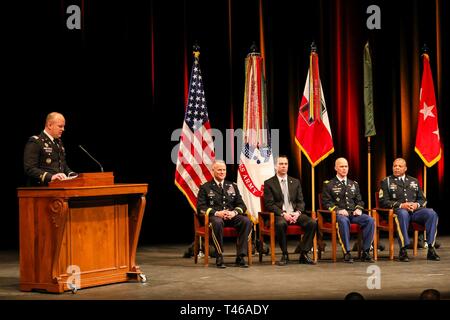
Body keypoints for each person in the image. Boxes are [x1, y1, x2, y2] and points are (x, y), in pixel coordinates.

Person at [379, 158, 440, 262]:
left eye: (399, 166)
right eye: (395, 166)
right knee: (403, 214)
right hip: (397, 212)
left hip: (414, 212)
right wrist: (401, 205)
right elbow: (383, 201)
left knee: (432, 213)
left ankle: (431, 248)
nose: (397, 168)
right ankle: (403, 249)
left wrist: (416, 204)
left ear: (405, 168)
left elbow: (423, 199)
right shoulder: (386, 181)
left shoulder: (414, 181)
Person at [197, 160, 252, 268]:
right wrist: (217, 213)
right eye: (219, 170)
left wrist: (234, 212)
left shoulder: (232, 185)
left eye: (224, 170)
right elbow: (201, 208)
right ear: (213, 171)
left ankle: (240, 256)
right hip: (215, 218)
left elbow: (242, 205)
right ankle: (219, 256)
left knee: (246, 221)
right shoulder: (205, 187)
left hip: (231, 217)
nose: (222, 172)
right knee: (217, 223)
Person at [263, 155, 317, 266]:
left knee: (312, 223)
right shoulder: (269, 183)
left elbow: (301, 202)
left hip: (295, 213)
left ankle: (304, 253)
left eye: (285, 164)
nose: (283, 166)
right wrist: (283, 213)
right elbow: (269, 204)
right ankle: (285, 254)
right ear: (275, 166)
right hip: (279, 214)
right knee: (281, 224)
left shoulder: (295, 182)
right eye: (281, 164)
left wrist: (297, 213)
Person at [322, 157, 375, 263]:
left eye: (346, 166)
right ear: (335, 168)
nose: (344, 169)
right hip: (339, 215)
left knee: (369, 220)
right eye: (341, 166)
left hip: (353, 214)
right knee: (343, 220)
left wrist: (358, 209)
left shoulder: (353, 184)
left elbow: (360, 201)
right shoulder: (329, 184)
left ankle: (366, 251)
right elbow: (326, 203)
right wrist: (338, 210)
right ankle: (347, 252)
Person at [23, 112, 77, 186]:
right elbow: (29, 168)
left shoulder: (58, 143)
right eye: (60, 126)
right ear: (49, 125)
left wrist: (73, 175)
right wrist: (51, 177)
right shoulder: (36, 141)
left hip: (58, 187)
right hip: (41, 189)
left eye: (63, 126)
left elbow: (62, 166)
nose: (63, 129)